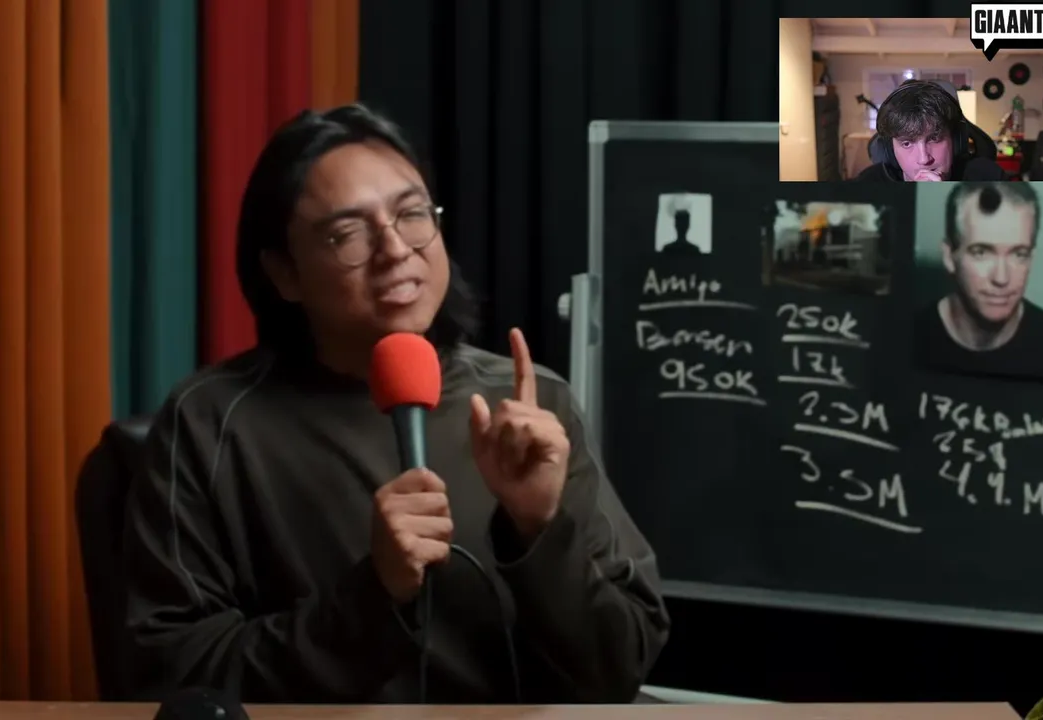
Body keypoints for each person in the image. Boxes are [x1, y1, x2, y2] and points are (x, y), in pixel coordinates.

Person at [120, 104, 670, 704]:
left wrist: (540, 531)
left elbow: (618, 672)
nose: (395, 249)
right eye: (347, 234)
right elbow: (171, 678)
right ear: (284, 274)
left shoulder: (529, 406)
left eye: (412, 214)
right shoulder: (210, 423)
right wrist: (372, 594)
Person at [914, 183, 1043, 380]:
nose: (1001, 278)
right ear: (949, 256)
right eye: (981, 252)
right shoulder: (909, 336)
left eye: (1019, 254)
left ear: (1031, 258)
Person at [854, 80, 1005, 182]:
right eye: (907, 143)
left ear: (956, 140)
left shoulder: (989, 178)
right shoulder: (867, 184)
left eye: (934, 138)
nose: (924, 159)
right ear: (890, 149)